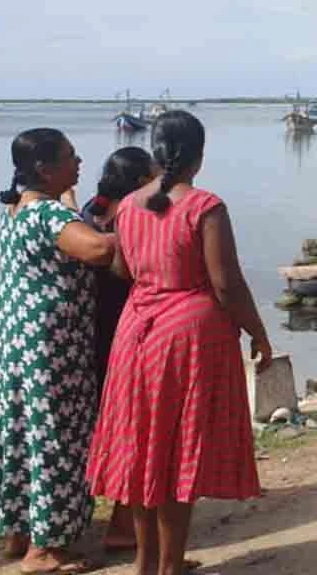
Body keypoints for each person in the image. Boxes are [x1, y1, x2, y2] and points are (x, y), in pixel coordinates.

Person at [87, 111, 274, 575]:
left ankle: (145, 563)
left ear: (155, 152)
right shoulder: (205, 206)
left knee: (143, 447)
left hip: (136, 331)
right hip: (187, 336)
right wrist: (258, 332)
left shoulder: (127, 206)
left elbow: (123, 270)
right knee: (176, 453)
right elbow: (226, 283)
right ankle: (169, 566)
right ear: (199, 156)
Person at [0, 129, 115, 574]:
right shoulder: (48, 215)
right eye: (70, 156)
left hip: (16, 340)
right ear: (44, 168)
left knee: (21, 435)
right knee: (55, 438)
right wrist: (142, 229)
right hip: (52, 347)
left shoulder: (15, 210)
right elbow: (97, 250)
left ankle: (19, 531)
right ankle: (45, 550)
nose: (79, 162)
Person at [80, 147, 156, 553]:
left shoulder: (90, 213)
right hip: (127, 333)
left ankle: (115, 515)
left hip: (90, 334)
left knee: (107, 426)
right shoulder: (135, 216)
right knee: (135, 427)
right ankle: (124, 523)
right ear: (142, 181)